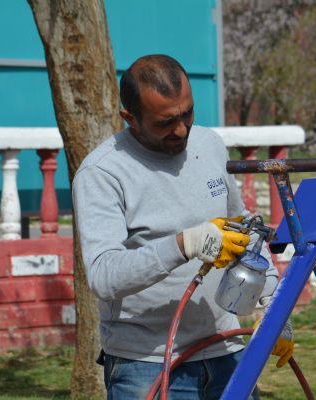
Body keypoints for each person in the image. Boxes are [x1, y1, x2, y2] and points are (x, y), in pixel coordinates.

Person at [72, 54, 292, 399]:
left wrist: (272, 301)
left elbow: (246, 228)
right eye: (165, 122)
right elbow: (103, 275)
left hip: (225, 349)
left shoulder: (209, 144)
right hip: (146, 363)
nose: (181, 129)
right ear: (129, 118)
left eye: (187, 113)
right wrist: (183, 244)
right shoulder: (103, 173)